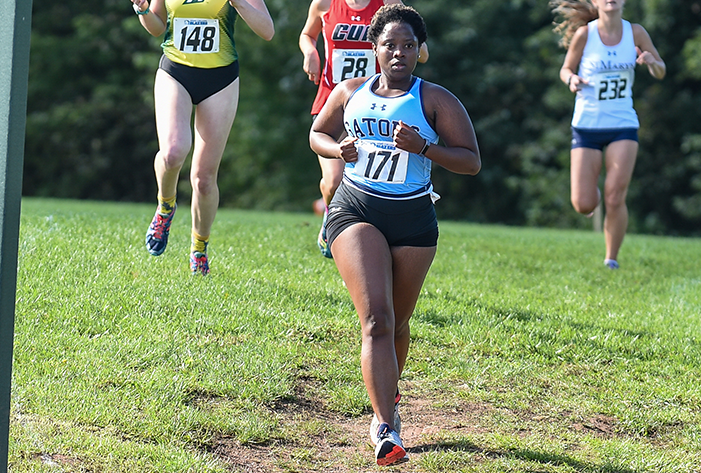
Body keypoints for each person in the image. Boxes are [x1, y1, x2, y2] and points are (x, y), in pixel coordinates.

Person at [309, 4, 480, 465]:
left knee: (398, 324)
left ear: (420, 52)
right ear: (374, 49)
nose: (399, 52)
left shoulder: (435, 100)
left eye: (408, 45)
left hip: (414, 222)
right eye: (390, 45)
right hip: (356, 208)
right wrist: (337, 147)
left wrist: (425, 147)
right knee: (376, 321)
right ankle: (385, 426)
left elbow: (470, 161)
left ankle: (390, 396)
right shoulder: (349, 92)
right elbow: (316, 134)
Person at [131, 0, 274, 275]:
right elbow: (157, 28)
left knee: (204, 179)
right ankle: (165, 207)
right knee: (173, 152)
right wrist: (142, 9)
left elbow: (267, 30)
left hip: (220, 79)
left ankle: (199, 248)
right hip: (175, 71)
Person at [300, 0, 428, 258]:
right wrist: (310, 52)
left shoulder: (388, 4)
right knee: (333, 181)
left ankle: (369, 235)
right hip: (333, 103)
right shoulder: (324, 3)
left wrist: (405, 46)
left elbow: (422, 52)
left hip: (373, 109)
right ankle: (331, 215)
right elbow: (307, 34)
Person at [552, 0, 665, 269]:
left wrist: (651, 62)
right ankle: (593, 195)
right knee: (582, 203)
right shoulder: (585, 35)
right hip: (587, 125)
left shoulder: (635, 33)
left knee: (616, 196)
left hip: (623, 124)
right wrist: (572, 80)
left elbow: (661, 69)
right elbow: (565, 69)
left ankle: (611, 259)